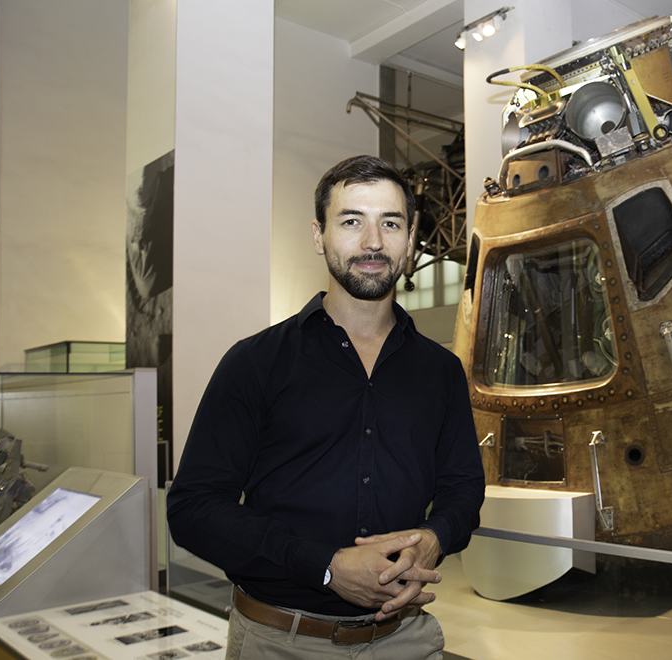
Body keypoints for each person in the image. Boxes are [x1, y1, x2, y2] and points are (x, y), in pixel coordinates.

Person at [167, 155, 485, 659]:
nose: (373, 242)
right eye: (352, 221)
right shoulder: (255, 362)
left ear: (409, 235)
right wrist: (326, 566)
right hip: (282, 642)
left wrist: (434, 537)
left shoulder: (440, 371)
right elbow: (194, 509)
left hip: (405, 639)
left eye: (391, 222)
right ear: (319, 236)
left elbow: (463, 488)